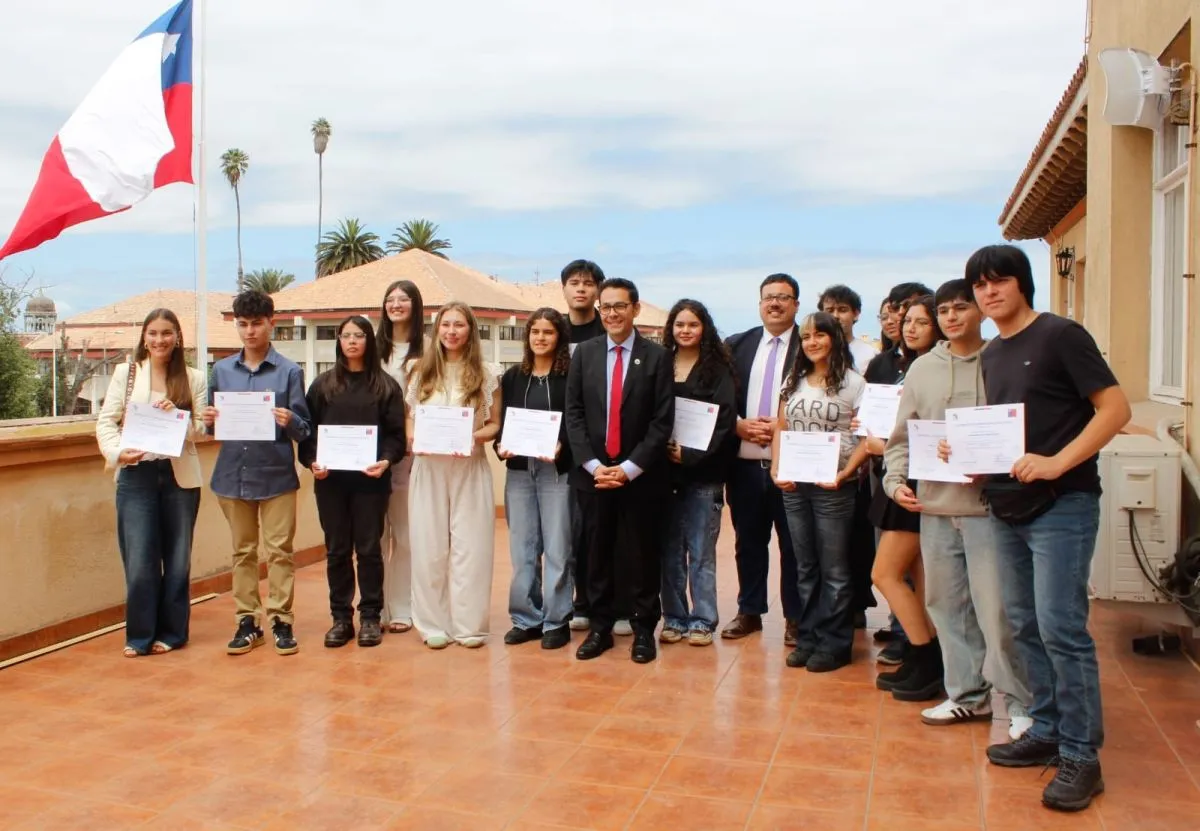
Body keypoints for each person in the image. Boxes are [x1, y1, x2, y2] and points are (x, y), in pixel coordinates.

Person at [950, 245, 1130, 812]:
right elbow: (1012, 430)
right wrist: (978, 457)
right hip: (1008, 504)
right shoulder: (993, 354)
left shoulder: (1061, 336)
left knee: (1062, 629)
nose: (988, 292)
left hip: (1062, 505)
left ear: (1022, 284)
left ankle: (1081, 754)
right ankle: (1048, 728)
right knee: (1023, 624)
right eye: (979, 285)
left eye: (999, 281)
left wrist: (1058, 462)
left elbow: (1115, 410)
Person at [881, 279, 1032, 734]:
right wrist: (894, 483)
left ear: (980, 312)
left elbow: (1019, 433)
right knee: (947, 608)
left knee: (998, 613)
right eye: (943, 310)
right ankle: (966, 696)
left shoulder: (1002, 361)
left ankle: (1023, 705)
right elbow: (901, 438)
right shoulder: (924, 368)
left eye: (960, 308)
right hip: (935, 509)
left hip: (989, 511)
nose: (950, 317)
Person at [566, 277, 674, 663]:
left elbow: (662, 422)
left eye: (619, 306)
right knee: (596, 554)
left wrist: (629, 468)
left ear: (636, 309)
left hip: (640, 477)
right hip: (593, 476)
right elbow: (574, 414)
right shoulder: (585, 354)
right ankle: (600, 628)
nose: (611, 313)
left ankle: (644, 629)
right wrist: (594, 465)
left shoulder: (658, 357)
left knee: (642, 553)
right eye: (605, 307)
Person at [203, 291, 311, 657]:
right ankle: (248, 621)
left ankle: (282, 620)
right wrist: (208, 421)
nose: (250, 332)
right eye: (243, 324)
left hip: (277, 474)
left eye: (257, 324)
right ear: (236, 325)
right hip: (232, 474)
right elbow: (213, 429)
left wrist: (290, 419)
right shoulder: (220, 371)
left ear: (271, 323)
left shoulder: (290, 371)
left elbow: (305, 429)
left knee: (280, 551)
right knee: (242, 552)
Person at [96, 308, 207, 657]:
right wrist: (117, 453)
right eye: (154, 333)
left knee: (177, 560)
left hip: (179, 478)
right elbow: (105, 422)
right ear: (144, 337)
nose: (160, 340)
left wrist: (176, 415)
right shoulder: (126, 374)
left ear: (177, 338)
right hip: (136, 475)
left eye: (167, 333)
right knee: (140, 559)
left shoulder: (194, 377)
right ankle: (139, 635)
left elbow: (201, 430)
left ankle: (173, 633)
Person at [298, 316, 407, 649]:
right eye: (345, 336)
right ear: (338, 342)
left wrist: (386, 460)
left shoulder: (386, 386)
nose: (352, 341)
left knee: (369, 550)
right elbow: (307, 434)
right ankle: (341, 618)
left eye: (359, 335)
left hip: (370, 482)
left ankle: (371, 617)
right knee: (337, 551)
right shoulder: (322, 385)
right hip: (330, 482)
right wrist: (311, 461)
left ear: (369, 341)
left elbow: (396, 437)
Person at [773, 312, 868, 672]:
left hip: (833, 487)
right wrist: (777, 469)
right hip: (796, 485)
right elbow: (781, 426)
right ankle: (809, 636)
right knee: (805, 565)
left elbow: (867, 436)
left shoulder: (854, 383)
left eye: (820, 335)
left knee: (835, 570)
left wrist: (846, 472)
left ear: (834, 338)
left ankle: (835, 643)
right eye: (807, 336)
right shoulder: (793, 381)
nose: (812, 342)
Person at [863, 294, 946, 701]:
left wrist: (887, 445)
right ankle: (924, 657)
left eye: (921, 322)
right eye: (906, 320)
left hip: (918, 478)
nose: (909, 328)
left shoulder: (937, 369)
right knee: (914, 575)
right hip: (896, 477)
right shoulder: (898, 365)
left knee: (886, 574)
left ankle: (927, 656)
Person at [407, 301, 503, 649]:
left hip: (469, 466)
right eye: (445, 324)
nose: (451, 331)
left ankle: (468, 625)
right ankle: (432, 624)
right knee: (429, 546)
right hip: (429, 467)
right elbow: (409, 418)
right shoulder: (421, 372)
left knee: (471, 547)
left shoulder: (487, 372)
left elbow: (494, 423)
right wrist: (413, 436)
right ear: (437, 330)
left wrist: (471, 436)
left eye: (459, 325)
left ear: (470, 330)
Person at [722, 274, 803, 644]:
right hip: (744, 465)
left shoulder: (812, 344)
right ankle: (750, 611)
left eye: (783, 298)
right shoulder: (736, 345)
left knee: (794, 545)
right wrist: (737, 426)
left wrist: (785, 427)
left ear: (796, 305)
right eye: (769, 297)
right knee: (748, 542)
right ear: (759, 303)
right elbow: (717, 399)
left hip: (792, 466)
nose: (775, 304)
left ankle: (796, 618)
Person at [659, 299, 737, 647]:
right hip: (663, 475)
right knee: (669, 551)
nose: (685, 330)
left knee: (701, 551)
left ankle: (703, 619)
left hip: (704, 474)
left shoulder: (718, 370)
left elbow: (723, 422)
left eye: (692, 324)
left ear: (704, 328)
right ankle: (674, 617)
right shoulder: (660, 364)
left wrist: (689, 454)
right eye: (679, 324)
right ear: (671, 329)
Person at [496, 308, 575, 650]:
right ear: (527, 338)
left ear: (559, 338)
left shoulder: (571, 377)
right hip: (519, 472)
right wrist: (502, 446)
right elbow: (503, 423)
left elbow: (578, 423)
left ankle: (557, 620)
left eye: (548, 332)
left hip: (556, 470)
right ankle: (526, 617)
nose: (541, 337)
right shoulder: (513, 377)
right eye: (535, 332)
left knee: (558, 547)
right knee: (523, 548)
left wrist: (563, 448)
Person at [559, 259, 625, 635]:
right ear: (564, 288)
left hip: (605, 452)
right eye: (574, 282)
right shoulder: (553, 328)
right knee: (575, 534)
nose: (581, 289)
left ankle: (615, 604)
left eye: (588, 283)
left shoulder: (611, 331)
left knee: (609, 532)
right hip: (561, 449)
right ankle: (579, 601)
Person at [376, 280, 426, 634]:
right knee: (374, 536)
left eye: (403, 299)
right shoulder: (372, 348)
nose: (395, 304)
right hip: (373, 454)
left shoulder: (428, 349)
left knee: (407, 536)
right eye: (390, 299)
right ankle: (374, 608)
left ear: (415, 305)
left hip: (411, 454)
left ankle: (402, 608)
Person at [819, 284, 878, 372]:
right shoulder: (813, 352)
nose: (835, 316)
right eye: (830, 311)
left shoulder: (871, 355)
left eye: (842, 310)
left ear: (856, 314)